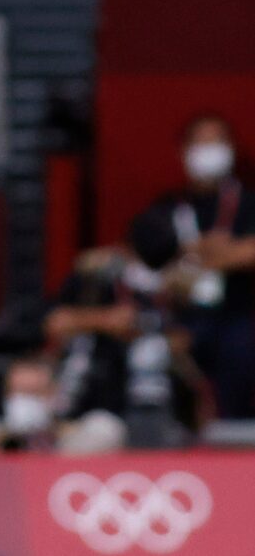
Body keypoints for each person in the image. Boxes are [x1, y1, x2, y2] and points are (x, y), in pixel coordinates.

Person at [129, 113, 255, 418]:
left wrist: (199, 256)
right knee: (152, 351)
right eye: (201, 142)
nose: (209, 150)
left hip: (240, 314)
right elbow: (142, 256)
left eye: (217, 142)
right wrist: (206, 251)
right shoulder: (168, 206)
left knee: (241, 349)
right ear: (184, 151)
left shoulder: (248, 202)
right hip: (184, 316)